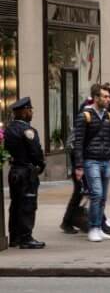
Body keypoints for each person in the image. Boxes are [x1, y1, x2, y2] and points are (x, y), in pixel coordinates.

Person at [73, 83, 110, 243]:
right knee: (96, 194)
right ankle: (93, 228)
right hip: (91, 161)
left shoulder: (108, 115)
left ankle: (99, 228)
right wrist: (79, 165)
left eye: (109, 96)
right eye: (105, 96)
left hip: (106, 160)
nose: (108, 99)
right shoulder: (85, 115)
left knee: (103, 198)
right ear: (96, 98)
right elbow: (79, 142)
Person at [4, 97, 46, 248]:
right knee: (28, 203)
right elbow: (35, 152)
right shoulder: (28, 131)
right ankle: (26, 238)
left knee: (15, 204)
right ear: (23, 112)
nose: (31, 113)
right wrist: (41, 165)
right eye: (30, 110)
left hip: (14, 171)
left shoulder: (8, 130)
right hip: (26, 172)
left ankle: (14, 237)